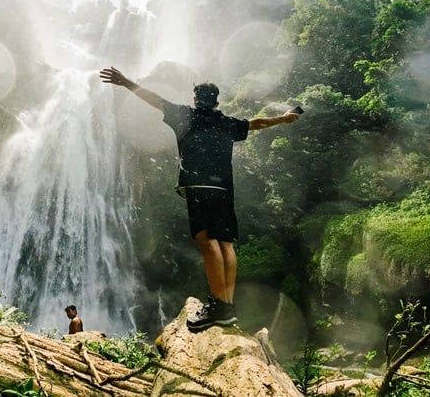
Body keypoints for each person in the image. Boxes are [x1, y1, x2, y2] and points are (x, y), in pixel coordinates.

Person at [100, 67, 299, 332]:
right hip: (224, 190)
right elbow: (257, 123)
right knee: (226, 243)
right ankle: (226, 305)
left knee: (206, 242)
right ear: (217, 102)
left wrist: (125, 82)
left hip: (198, 186)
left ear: (195, 99)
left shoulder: (185, 115)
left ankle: (218, 306)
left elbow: (154, 99)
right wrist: (283, 119)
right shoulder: (226, 122)